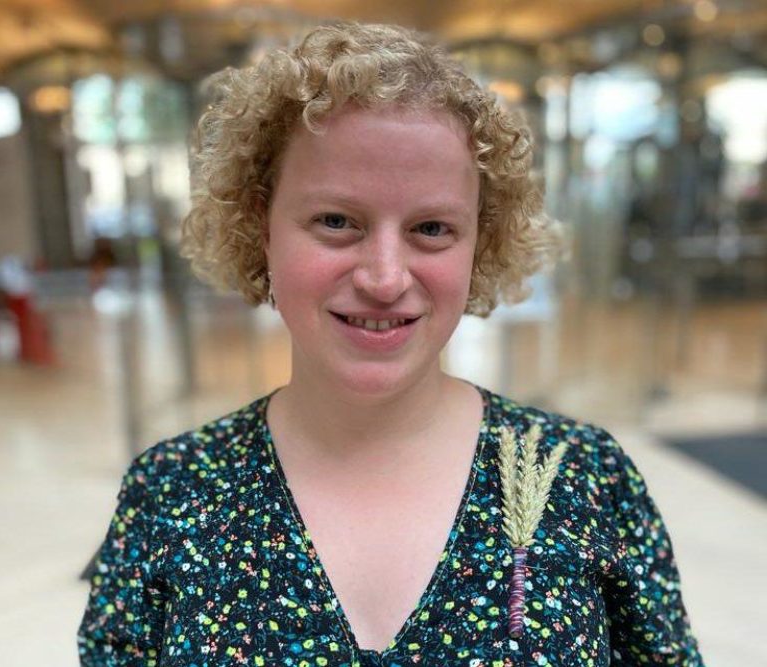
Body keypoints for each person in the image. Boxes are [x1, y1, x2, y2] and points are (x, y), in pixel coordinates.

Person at [77, 22, 705, 667]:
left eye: (432, 228)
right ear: (261, 225)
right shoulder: (172, 492)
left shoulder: (584, 477)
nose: (384, 278)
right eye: (336, 222)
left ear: (479, 243)